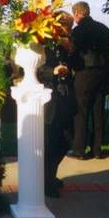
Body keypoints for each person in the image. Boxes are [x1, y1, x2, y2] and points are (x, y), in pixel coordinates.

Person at [68, 1, 109, 159]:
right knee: (98, 112)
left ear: (76, 13)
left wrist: (71, 68)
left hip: (84, 73)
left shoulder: (78, 31)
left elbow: (73, 53)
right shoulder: (103, 29)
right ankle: (97, 150)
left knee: (81, 112)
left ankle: (79, 150)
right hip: (102, 74)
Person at [37, 12, 76, 197]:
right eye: (66, 28)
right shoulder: (44, 44)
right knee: (52, 141)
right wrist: (53, 70)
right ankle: (47, 181)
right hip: (51, 98)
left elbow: (79, 63)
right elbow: (37, 70)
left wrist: (70, 50)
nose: (68, 31)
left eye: (70, 28)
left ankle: (50, 176)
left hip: (67, 96)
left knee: (68, 138)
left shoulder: (67, 43)